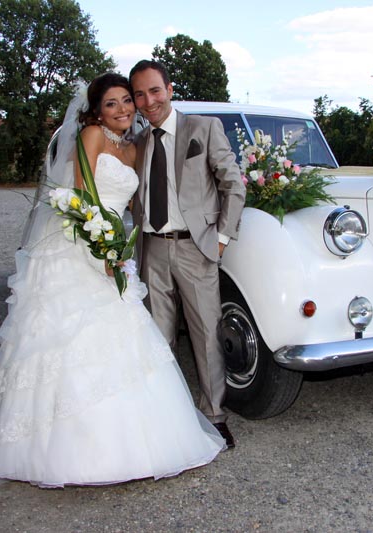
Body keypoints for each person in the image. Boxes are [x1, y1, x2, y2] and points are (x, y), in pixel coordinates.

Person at [0, 73, 225, 492]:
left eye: (128, 100)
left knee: (125, 338)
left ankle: (136, 441)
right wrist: (100, 249)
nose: (124, 108)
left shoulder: (135, 145)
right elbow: (80, 199)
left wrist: (116, 251)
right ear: (96, 110)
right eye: (113, 103)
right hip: (80, 247)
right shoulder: (91, 135)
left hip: (113, 248)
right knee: (69, 341)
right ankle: (59, 451)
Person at [129, 60, 246, 448]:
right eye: (140, 95)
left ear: (170, 89)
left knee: (207, 336)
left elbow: (234, 185)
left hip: (195, 250)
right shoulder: (138, 143)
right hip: (151, 252)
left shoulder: (203, 128)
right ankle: (166, 416)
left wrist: (222, 239)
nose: (148, 101)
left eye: (155, 91)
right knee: (159, 339)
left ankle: (214, 414)